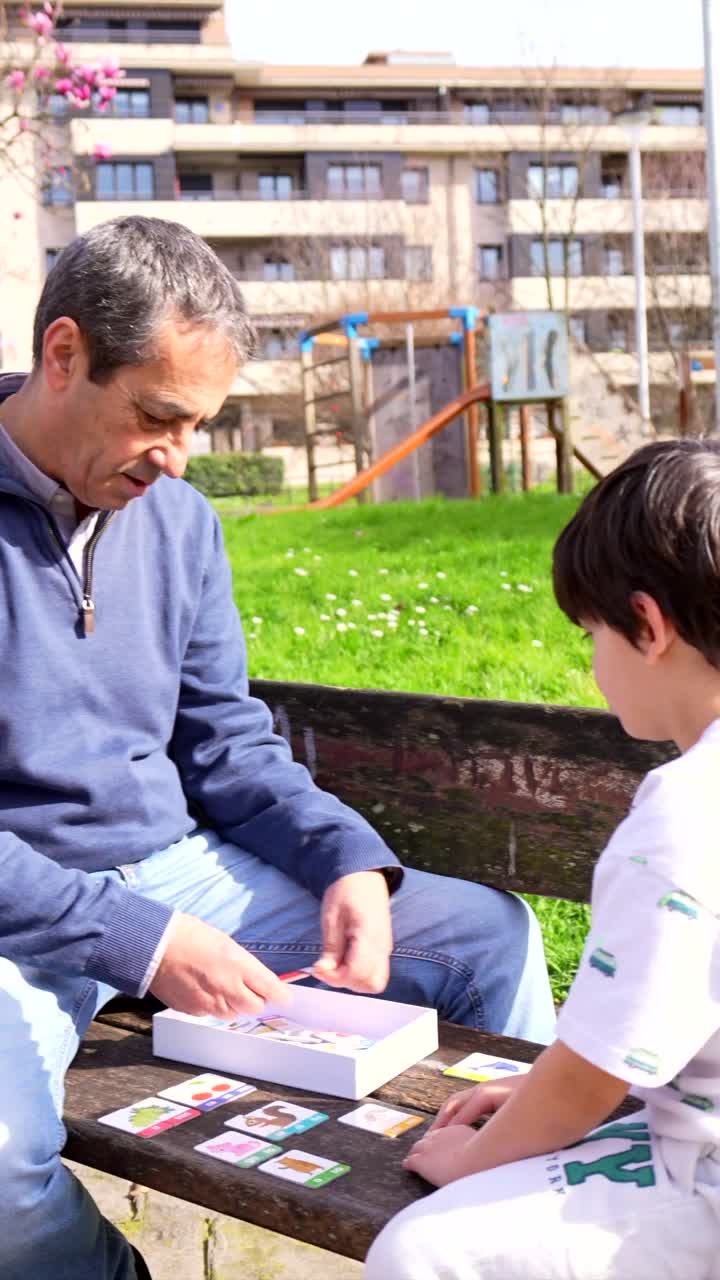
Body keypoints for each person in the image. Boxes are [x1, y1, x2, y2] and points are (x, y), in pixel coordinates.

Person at [0, 215, 555, 1280]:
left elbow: (224, 739)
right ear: (63, 354)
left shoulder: (179, 520)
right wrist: (143, 941)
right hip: (20, 913)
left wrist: (346, 860)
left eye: (199, 423)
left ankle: (509, 1245)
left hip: (178, 875)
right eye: (158, 417)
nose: (179, 458)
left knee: (488, 937)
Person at [366, 438, 720, 1280]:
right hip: (686, 1123)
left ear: (648, 625)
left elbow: (596, 1074)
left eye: (593, 632)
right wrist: (529, 1100)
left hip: (703, 1187)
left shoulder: (686, 812)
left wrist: (477, 1164)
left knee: (418, 1254)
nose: (592, 661)